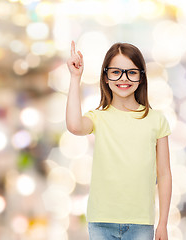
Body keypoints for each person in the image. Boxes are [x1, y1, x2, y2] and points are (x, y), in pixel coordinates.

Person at [66, 41, 172, 240]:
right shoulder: (98, 117)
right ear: (105, 77)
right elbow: (74, 126)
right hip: (101, 220)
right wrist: (74, 78)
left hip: (141, 222)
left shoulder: (157, 120)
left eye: (131, 72)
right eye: (116, 72)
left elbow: (165, 174)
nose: (124, 78)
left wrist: (163, 223)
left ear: (141, 77)